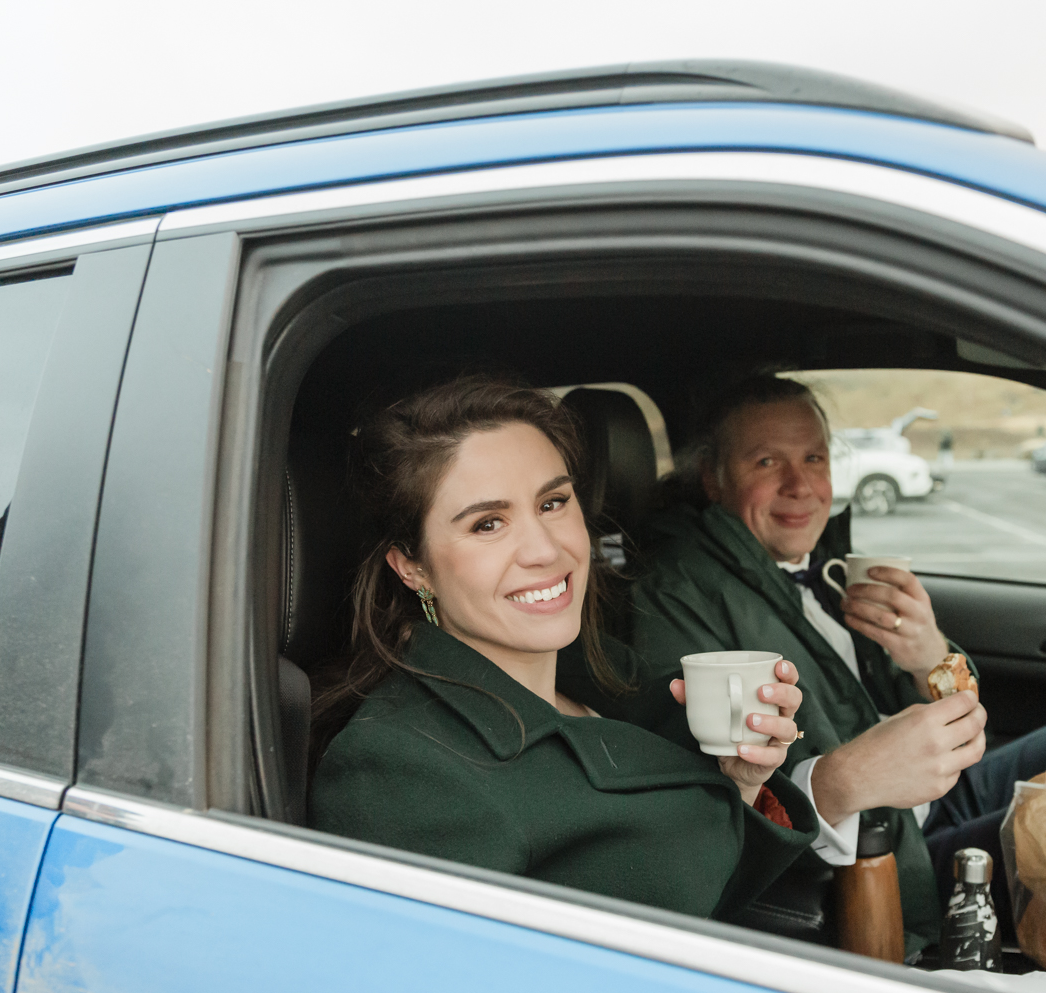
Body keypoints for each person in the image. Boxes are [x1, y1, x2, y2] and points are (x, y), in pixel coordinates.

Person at [630, 375, 1046, 952]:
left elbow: (957, 705)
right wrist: (848, 777)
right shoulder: (678, 590)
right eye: (765, 463)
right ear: (713, 479)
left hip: (926, 796)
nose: (800, 485)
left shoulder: (825, 567)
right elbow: (714, 798)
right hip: (875, 858)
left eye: (813, 457)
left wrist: (928, 655)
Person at [308, 379, 823, 923]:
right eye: (488, 523)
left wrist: (743, 782)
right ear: (411, 567)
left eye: (553, 502)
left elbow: (697, 888)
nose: (545, 549)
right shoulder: (394, 772)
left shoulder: (609, 676)